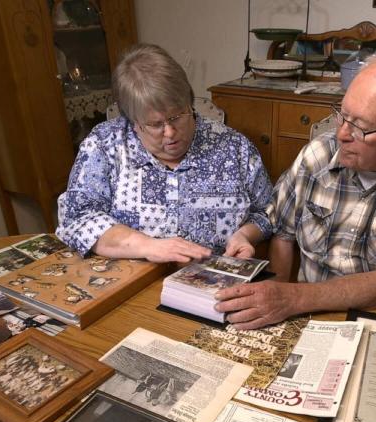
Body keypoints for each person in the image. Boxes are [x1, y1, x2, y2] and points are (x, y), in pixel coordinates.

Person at [214, 46, 376, 328]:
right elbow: (283, 235)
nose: (341, 134)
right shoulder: (319, 153)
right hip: (309, 304)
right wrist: (273, 297)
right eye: (342, 114)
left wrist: (289, 299)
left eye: (360, 126)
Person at [56, 43, 273, 263]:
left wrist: (245, 234)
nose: (170, 132)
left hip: (213, 284)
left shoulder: (234, 146)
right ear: (133, 122)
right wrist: (147, 246)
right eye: (155, 124)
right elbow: (77, 218)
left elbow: (268, 212)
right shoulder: (105, 144)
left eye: (177, 116)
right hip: (134, 285)